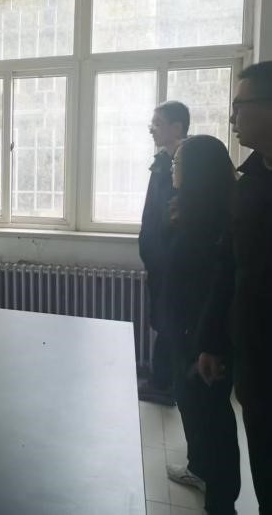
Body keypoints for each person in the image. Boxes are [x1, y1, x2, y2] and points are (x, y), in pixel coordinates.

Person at [198, 61, 272, 513]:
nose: (232, 118)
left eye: (240, 106)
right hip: (256, 363)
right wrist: (212, 341)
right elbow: (229, 269)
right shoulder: (250, 185)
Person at [158, 135, 240, 514]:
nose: (173, 169)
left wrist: (206, 342)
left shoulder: (219, 221)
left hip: (204, 337)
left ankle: (221, 502)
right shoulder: (190, 210)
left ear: (198, 172)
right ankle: (200, 469)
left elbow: (215, 286)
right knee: (192, 405)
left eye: (178, 164)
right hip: (185, 332)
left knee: (213, 418)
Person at [139, 100, 189, 406]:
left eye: (158, 123)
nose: (151, 129)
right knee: (161, 318)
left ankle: (166, 383)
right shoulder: (161, 162)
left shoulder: (189, 164)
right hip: (158, 261)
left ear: (177, 127)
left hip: (175, 262)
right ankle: (161, 379)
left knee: (172, 321)